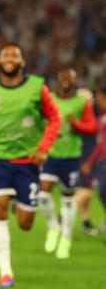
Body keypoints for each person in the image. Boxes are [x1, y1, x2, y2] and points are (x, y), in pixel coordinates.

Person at [0, 43, 61, 288]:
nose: (9, 58)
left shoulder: (37, 87)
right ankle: (5, 273)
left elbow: (55, 118)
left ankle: (18, 204)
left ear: (22, 61)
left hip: (27, 163)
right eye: (5, 54)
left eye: (14, 55)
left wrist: (43, 148)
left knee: (25, 224)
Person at [39, 68, 97, 258]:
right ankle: (53, 226)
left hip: (71, 157)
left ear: (74, 81)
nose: (65, 80)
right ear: (57, 80)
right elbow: (41, 122)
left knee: (68, 198)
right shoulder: (49, 100)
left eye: (69, 78)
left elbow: (92, 126)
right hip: (51, 154)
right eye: (63, 77)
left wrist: (77, 124)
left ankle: (66, 238)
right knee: (42, 194)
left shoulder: (82, 102)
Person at [75, 88, 101, 235]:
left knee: (86, 192)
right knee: (86, 191)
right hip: (85, 158)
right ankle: (66, 214)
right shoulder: (81, 118)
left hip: (89, 156)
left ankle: (86, 222)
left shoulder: (88, 116)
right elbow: (91, 129)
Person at [80, 83, 106, 231]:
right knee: (101, 192)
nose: (97, 101)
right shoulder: (101, 117)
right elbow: (100, 143)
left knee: (101, 191)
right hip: (97, 160)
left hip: (99, 160)